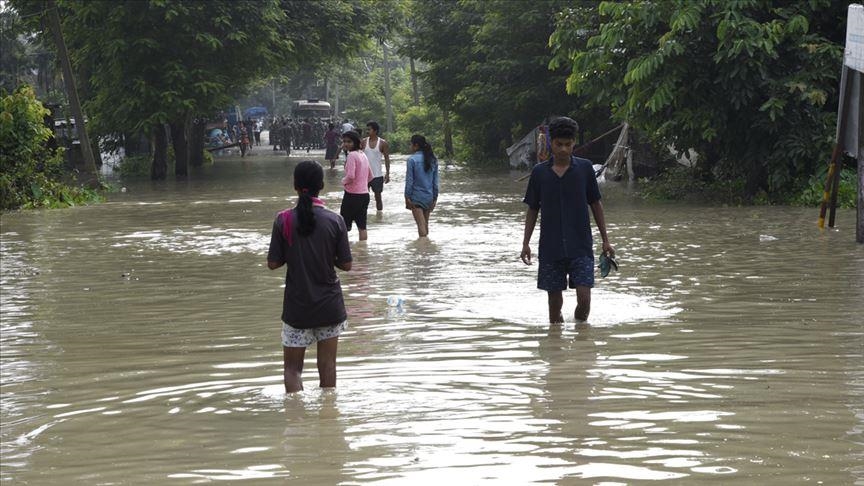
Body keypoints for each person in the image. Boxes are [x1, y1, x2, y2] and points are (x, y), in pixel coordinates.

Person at [267, 160, 352, 393]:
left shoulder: (283, 220)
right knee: (328, 367)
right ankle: (328, 421)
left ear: (295, 185)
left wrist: (294, 254)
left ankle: (296, 422)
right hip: (329, 306)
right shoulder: (336, 220)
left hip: (298, 308)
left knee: (292, 370)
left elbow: (273, 263)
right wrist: (325, 257)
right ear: (321, 186)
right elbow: (346, 264)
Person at [520, 116, 614, 324]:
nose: (563, 149)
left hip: (580, 246)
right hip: (550, 248)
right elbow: (533, 209)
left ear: (574, 144)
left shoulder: (585, 169)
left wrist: (605, 239)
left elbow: (596, 204)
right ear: (551, 143)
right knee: (554, 308)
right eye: (559, 144)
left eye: (568, 144)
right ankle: (557, 348)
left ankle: (582, 341)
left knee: (584, 299)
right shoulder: (539, 173)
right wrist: (526, 243)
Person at [340, 130, 373, 241]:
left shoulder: (352, 156)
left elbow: (350, 176)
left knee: (343, 227)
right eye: (344, 141)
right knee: (362, 227)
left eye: (349, 142)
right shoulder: (362, 154)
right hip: (364, 195)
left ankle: (343, 252)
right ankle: (363, 253)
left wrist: (343, 181)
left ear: (355, 142)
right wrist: (362, 184)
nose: (346, 144)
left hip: (352, 196)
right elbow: (370, 176)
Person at [404, 134, 439, 238]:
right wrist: (435, 198)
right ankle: (427, 250)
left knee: (421, 227)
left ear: (416, 145)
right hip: (429, 196)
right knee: (425, 225)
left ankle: (423, 250)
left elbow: (409, 181)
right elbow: (435, 182)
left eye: (411, 144)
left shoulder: (412, 160)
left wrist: (407, 197)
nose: (410, 147)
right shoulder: (433, 159)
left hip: (416, 197)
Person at [361, 121, 391, 211]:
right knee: (362, 198)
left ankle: (379, 216)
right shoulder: (363, 142)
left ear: (375, 131)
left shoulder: (383, 143)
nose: (367, 131)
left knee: (378, 198)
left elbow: (386, 158)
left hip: (377, 175)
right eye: (367, 129)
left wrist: (388, 173)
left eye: (369, 129)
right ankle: (363, 215)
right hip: (364, 175)